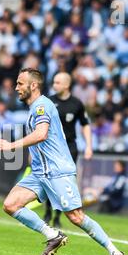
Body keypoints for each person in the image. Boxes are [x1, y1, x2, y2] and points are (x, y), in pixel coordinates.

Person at [0, 68, 127, 255]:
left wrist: (11, 145)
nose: (16, 88)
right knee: (11, 205)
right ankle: (52, 235)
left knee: (75, 216)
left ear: (33, 85)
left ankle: (115, 252)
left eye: (20, 84)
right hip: (41, 171)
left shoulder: (42, 106)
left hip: (57, 171)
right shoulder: (35, 108)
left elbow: (41, 134)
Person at [43, 72, 93, 228]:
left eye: (57, 82)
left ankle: (57, 217)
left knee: (65, 182)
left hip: (70, 146)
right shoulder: (48, 102)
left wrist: (89, 146)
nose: (54, 85)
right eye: (54, 82)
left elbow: (85, 124)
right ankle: (47, 212)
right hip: (51, 146)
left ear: (66, 85)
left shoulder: (77, 104)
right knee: (50, 179)